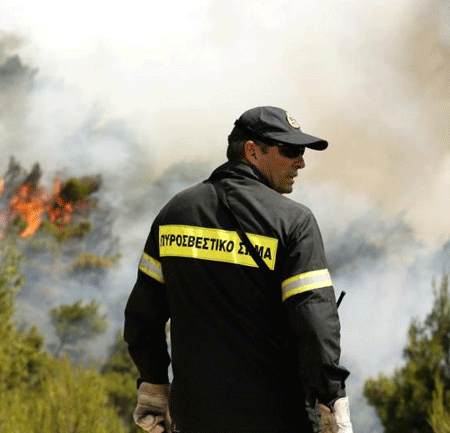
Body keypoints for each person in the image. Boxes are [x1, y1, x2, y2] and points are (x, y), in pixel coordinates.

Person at [124, 106, 352, 433]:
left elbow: (143, 319)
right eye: (290, 151)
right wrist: (333, 400)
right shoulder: (294, 223)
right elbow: (314, 325)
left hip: (193, 421)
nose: (300, 162)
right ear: (251, 151)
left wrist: (153, 386)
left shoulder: (174, 212)